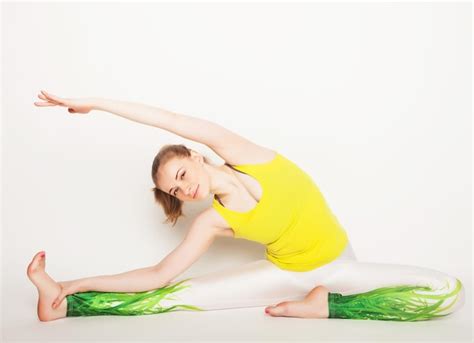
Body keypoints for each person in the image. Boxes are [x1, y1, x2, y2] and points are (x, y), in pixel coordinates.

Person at [28, 90, 465, 322]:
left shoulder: (245, 154)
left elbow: (171, 120)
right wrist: (75, 283)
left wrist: (95, 103)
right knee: (171, 297)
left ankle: (326, 307)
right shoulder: (214, 222)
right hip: (286, 275)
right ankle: (63, 304)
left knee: (448, 293)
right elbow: (158, 275)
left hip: (340, 264)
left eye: (181, 175)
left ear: (196, 155)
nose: (185, 189)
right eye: (176, 192)